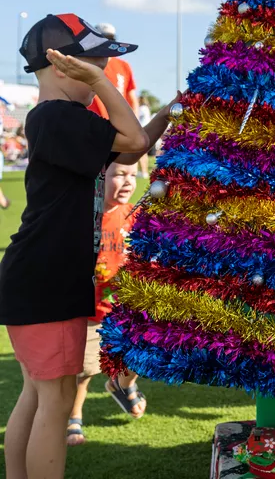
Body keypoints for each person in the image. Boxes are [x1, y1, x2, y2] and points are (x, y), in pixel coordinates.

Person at [0, 13, 148, 479]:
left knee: (38, 394)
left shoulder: (59, 119)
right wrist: (106, 88)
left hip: (37, 276)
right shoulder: (60, 116)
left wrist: (173, 111)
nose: (103, 74)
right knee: (57, 400)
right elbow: (134, 137)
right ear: (63, 67)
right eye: (95, 65)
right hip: (49, 279)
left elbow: (129, 150)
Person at [67, 86, 180, 446]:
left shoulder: (138, 216)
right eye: (119, 175)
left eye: (132, 177)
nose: (126, 181)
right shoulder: (92, 210)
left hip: (125, 306)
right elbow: (134, 145)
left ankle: (122, 384)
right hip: (90, 308)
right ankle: (74, 417)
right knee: (82, 371)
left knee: (140, 355)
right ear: (102, 178)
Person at [88, 22, 140, 120]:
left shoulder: (123, 66)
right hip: (90, 123)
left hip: (117, 125)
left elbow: (131, 98)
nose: (106, 42)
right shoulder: (85, 63)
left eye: (110, 39)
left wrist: (135, 125)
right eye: (102, 38)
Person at [137, 95, 152, 178]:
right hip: (147, 131)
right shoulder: (146, 108)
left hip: (142, 131)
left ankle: (142, 172)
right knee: (144, 153)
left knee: (140, 152)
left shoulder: (141, 108)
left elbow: (136, 118)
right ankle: (144, 171)